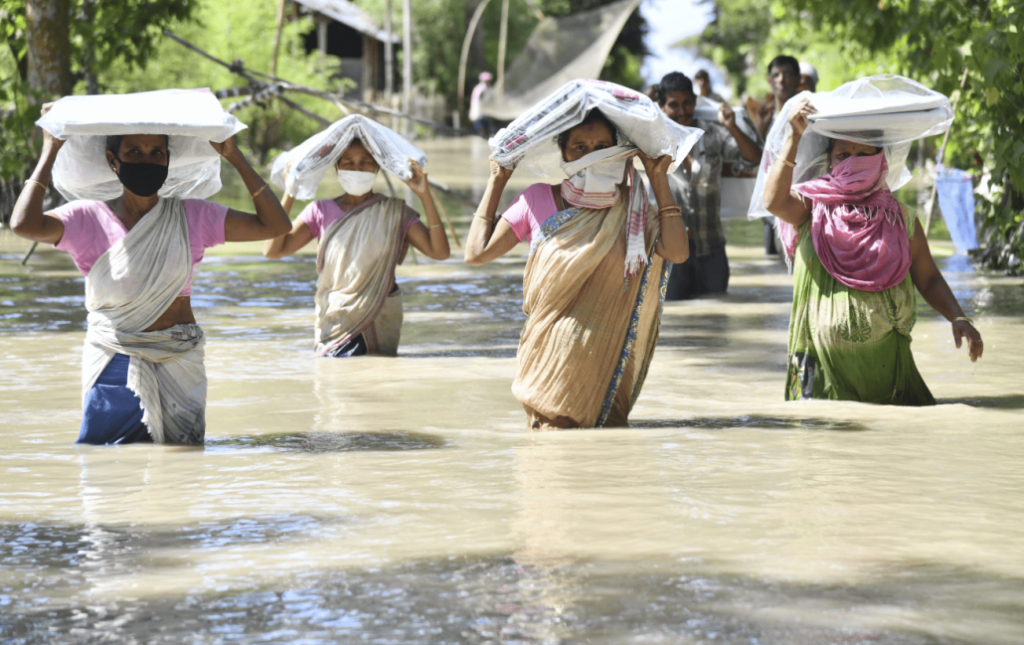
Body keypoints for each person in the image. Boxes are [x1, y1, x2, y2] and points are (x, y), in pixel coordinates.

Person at [10, 106, 292, 445]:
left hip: (178, 357)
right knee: (108, 465)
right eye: (134, 152)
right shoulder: (88, 218)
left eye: (157, 152)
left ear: (168, 160)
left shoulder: (192, 215)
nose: (147, 160)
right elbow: (23, 224)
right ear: (113, 161)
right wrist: (51, 148)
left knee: (182, 461)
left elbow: (276, 226)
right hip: (114, 357)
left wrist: (234, 155)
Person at [464, 109, 688, 429]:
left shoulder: (633, 207)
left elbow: (677, 253)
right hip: (548, 363)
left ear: (619, 151)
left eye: (601, 148)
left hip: (607, 363)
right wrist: (497, 179)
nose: (591, 156)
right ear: (564, 154)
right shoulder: (537, 199)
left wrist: (657, 178)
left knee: (605, 464)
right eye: (579, 147)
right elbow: (476, 254)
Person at [762, 97, 983, 404]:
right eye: (844, 154)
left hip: (886, 372)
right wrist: (793, 136)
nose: (853, 162)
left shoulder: (902, 220)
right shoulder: (811, 206)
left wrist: (959, 317)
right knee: (814, 445)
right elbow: (773, 202)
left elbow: (929, 279)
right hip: (817, 365)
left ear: (882, 161)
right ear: (830, 161)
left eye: (864, 154)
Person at [265, 137, 449, 357]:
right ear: (337, 167)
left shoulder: (395, 212)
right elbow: (273, 250)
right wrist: (290, 193)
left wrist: (424, 194)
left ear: (377, 167)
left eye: (365, 162)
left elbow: (439, 252)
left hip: (380, 317)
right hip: (335, 321)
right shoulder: (320, 211)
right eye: (348, 163)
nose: (357, 168)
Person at [656, 72, 760, 298]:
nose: (682, 112)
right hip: (670, 250)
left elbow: (752, 159)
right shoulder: (653, 141)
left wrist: (732, 126)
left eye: (687, 103)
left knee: (718, 312)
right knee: (674, 316)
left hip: (711, 248)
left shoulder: (712, 133)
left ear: (695, 101)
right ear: (661, 106)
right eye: (674, 105)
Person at [756, 55, 801, 256]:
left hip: (798, 195)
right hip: (769, 192)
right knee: (770, 255)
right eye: (776, 75)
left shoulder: (806, 113)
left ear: (798, 79)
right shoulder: (763, 116)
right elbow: (753, 158)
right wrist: (760, 127)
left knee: (797, 254)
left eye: (787, 74)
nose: (781, 80)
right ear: (769, 81)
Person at [469, 71, 493, 137]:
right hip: (478, 114)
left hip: (484, 114)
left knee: (486, 133)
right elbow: (479, 100)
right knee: (481, 133)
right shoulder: (481, 88)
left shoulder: (487, 88)